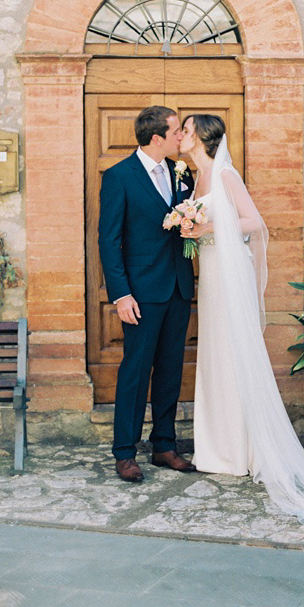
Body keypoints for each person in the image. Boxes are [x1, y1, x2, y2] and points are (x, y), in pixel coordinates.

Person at [178, 114, 304, 524]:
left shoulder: (225, 176)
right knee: (216, 356)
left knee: (234, 353)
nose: (180, 135)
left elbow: (255, 222)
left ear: (201, 137)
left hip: (227, 276)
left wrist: (207, 226)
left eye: (186, 130)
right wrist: (194, 227)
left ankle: (243, 449)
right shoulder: (196, 178)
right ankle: (219, 446)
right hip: (212, 274)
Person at [98, 105, 198, 483]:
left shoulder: (181, 172)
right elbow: (109, 241)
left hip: (177, 287)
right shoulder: (119, 176)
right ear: (157, 138)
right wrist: (121, 295)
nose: (180, 137)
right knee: (136, 372)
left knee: (172, 368)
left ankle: (164, 446)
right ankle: (125, 452)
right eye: (175, 131)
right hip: (139, 293)